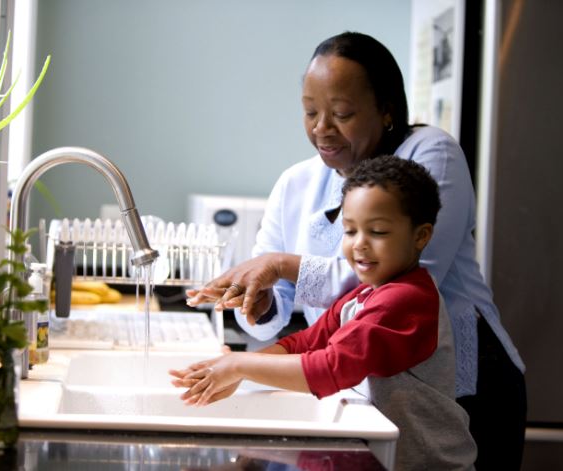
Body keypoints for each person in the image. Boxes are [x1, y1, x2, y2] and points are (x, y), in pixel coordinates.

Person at [185, 32, 526, 469]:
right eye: (310, 112)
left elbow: (387, 282)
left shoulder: (429, 154)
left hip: (462, 388)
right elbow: (302, 331)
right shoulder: (296, 183)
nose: (321, 128)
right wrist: (257, 301)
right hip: (363, 392)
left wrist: (280, 268)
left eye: (341, 113)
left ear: (386, 110)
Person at [173, 156, 477, 470]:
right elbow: (305, 343)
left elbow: (330, 368)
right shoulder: (364, 293)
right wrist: (236, 368)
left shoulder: (407, 300)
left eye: (378, 232)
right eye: (349, 230)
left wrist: (240, 365)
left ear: (421, 236)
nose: (359, 244)